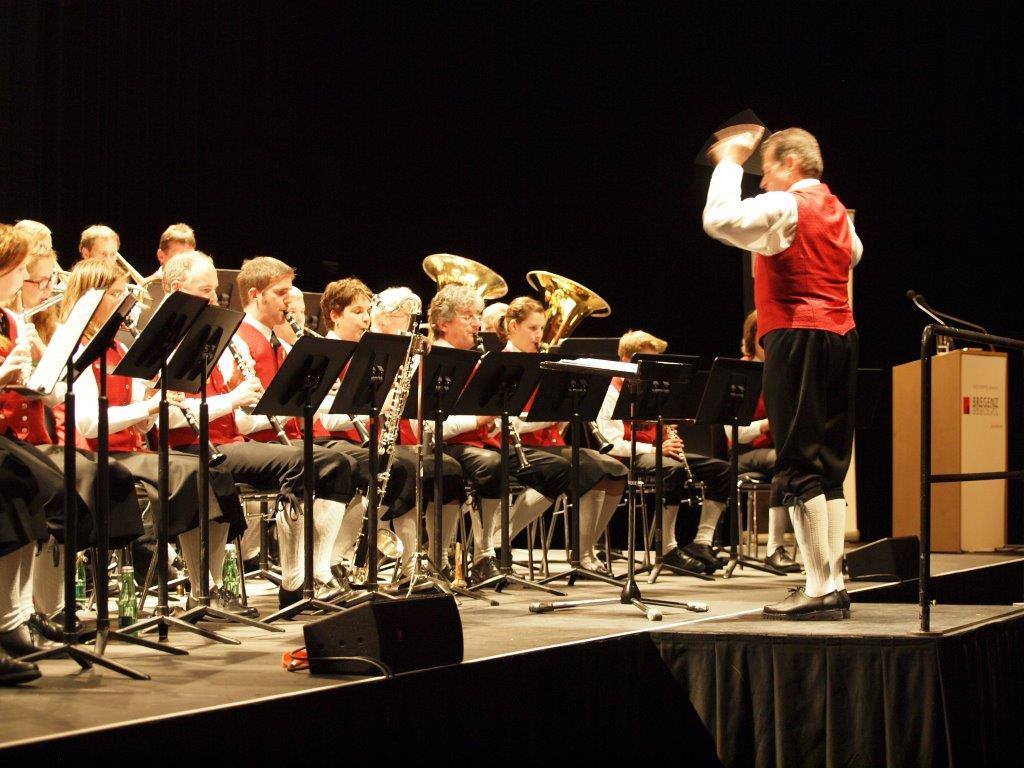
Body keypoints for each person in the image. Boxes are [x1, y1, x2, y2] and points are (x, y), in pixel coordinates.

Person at [703, 126, 861, 620]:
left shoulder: (788, 205)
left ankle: (817, 587)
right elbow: (854, 254)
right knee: (829, 463)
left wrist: (730, 161)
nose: (763, 180)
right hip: (841, 335)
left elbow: (719, 219)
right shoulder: (836, 210)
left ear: (791, 162)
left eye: (767, 169)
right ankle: (832, 582)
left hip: (797, 334)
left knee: (797, 461)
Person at [56, 259, 242, 614]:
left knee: (211, 471)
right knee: (189, 471)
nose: (126, 303)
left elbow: (140, 426)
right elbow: (89, 424)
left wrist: (153, 402)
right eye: (116, 295)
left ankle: (205, 588)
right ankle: (197, 584)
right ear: (89, 298)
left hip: (128, 450)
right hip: (92, 454)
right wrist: (149, 407)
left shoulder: (119, 348)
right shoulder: (78, 350)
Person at [231, 257, 359, 606]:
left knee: (341, 465)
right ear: (255, 295)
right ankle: (297, 581)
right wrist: (290, 410)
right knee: (321, 463)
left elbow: (300, 403)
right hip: (251, 442)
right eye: (281, 293)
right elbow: (242, 419)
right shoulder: (238, 340)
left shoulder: (282, 345)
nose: (288, 301)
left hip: (282, 442)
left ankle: (319, 572)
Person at [428, 285, 570, 585]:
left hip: (484, 443)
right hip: (449, 445)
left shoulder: (477, 360)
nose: (477, 324)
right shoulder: (433, 361)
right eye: (468, 317)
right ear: (443, 324)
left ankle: (490, 547)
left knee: (557, 469)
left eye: (477, 316)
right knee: (492, 465)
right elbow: (431, 426)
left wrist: (495, 419)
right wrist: (478, 419)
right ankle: (482, 554)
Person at [501, 296, 627, 572]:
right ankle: (503, 541)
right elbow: (513, 424)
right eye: (532, 328)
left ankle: (586, 550)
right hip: (517, 446)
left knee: (616, 471)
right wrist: (553, 415)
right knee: (589, 469)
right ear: (513, 326)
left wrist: (569, 412)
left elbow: (550, 420)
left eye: (541, 329)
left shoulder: (543, 363)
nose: (539, 335)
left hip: (549, 444)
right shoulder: (505, 364)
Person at [595, 330, 732, 574]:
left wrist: (668, 437)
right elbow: (612, 443)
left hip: (655, 452)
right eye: (648, 361)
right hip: (624, 457)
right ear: (626, 359)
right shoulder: (611, 392)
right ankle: (667, 549)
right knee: (672, 470)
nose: (655, 368)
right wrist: (656, 448)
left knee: (721, 470)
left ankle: (702, 542)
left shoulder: (653, 389)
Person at [735, 310, 800, 573]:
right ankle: (774, 548)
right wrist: (767, 424)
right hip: (744, 453)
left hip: (779, 451)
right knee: (787, 461)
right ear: (755, 337)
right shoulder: (740, 372)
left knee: (805, 463)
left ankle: (818, 549)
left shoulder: (782, 372)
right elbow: (732, 432)